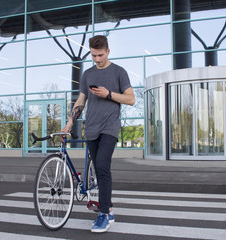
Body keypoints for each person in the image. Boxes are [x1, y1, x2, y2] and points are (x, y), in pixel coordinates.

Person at [61, 35, 135, 233]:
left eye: (100, 55)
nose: (97, 59)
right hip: (91, 128)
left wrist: (108, 94)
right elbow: (80, 101)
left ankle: (103, 214)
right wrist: (68, 124)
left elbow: (131, 99)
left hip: (110, 127)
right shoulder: (87, 74)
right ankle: (108, 209)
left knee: (102, 165)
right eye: (94, 55)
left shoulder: (119, 72)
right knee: (99, 169)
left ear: (108, 52)